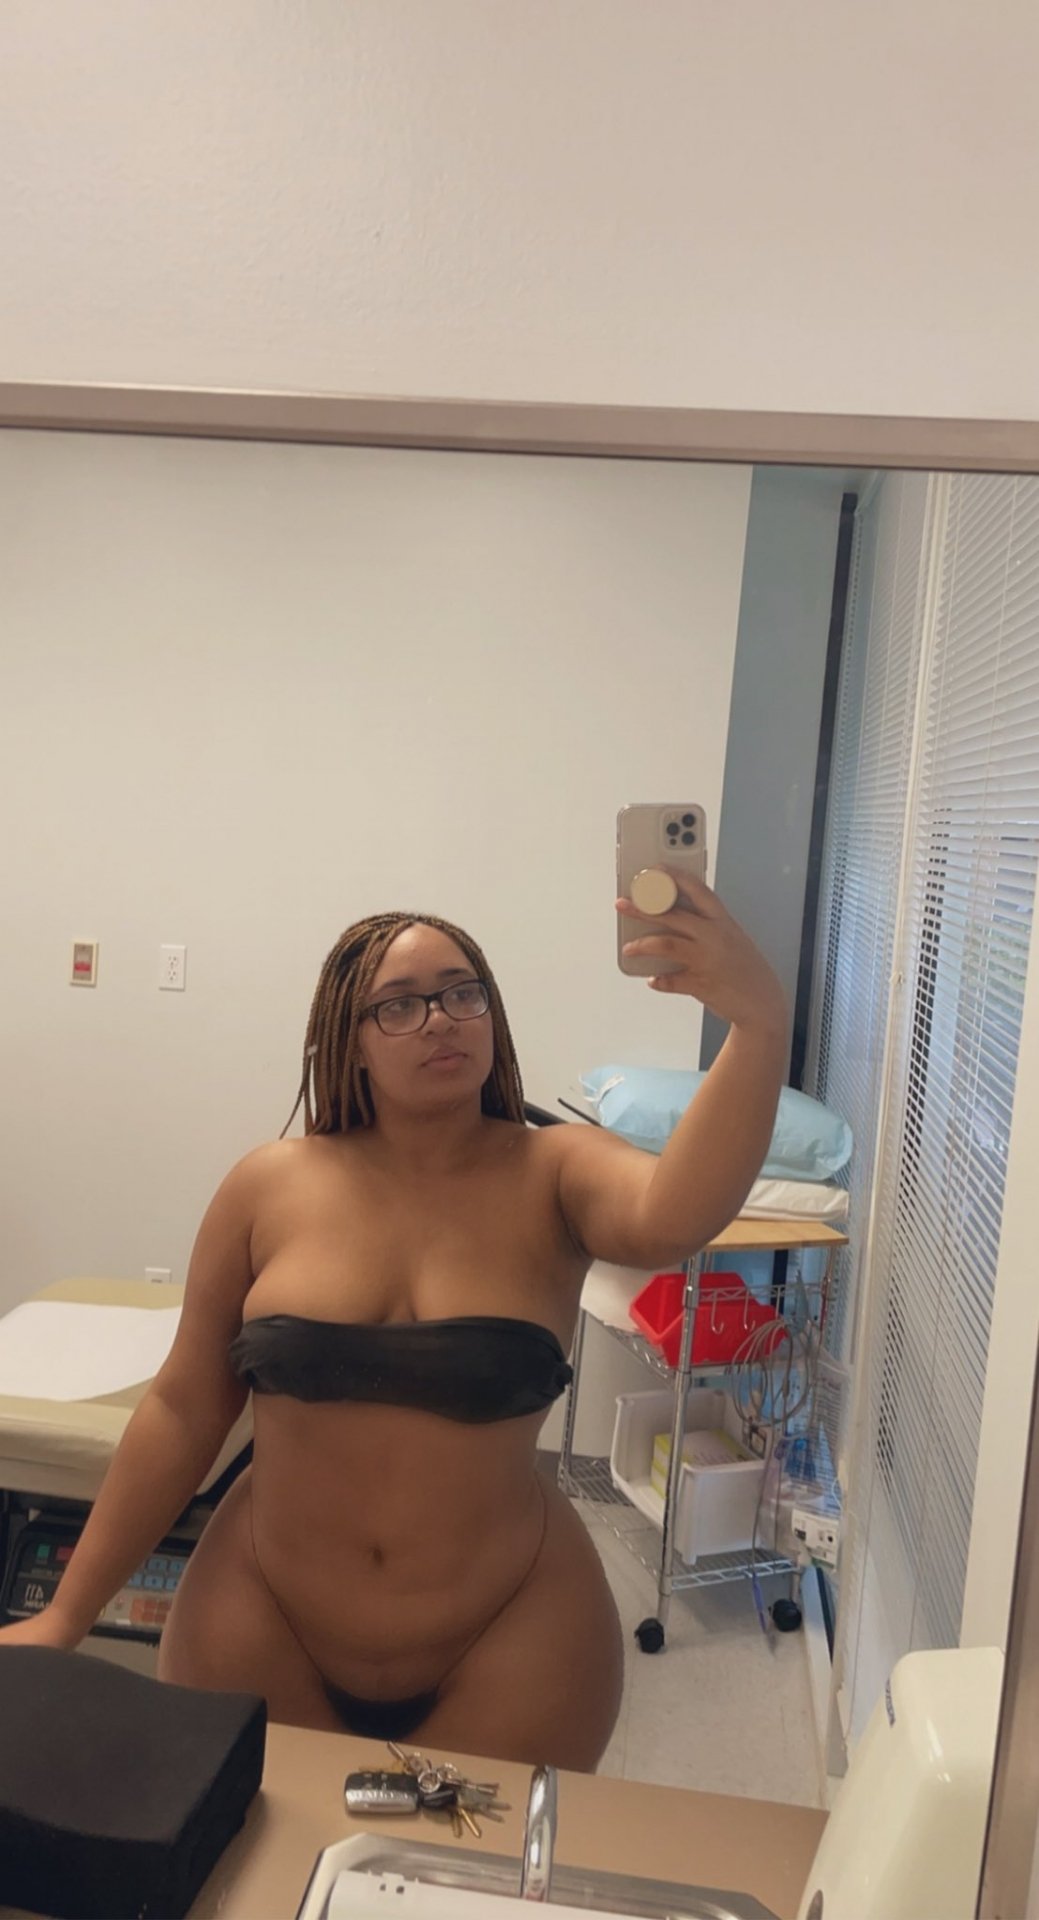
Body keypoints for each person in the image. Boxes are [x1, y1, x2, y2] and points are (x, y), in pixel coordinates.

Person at [0, 876, 786, 1770]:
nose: (440, 1020)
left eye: (461, 994)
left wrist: (757, 1023)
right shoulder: (267, 1186)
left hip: (511, 1627)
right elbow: (182, 1409)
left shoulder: (556, 1170)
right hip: (262, 1614)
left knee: (472, 1861)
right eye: (400, 1005)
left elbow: (673, 1215)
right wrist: (66, 1615)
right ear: (350, 1040)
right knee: (246, 1853)